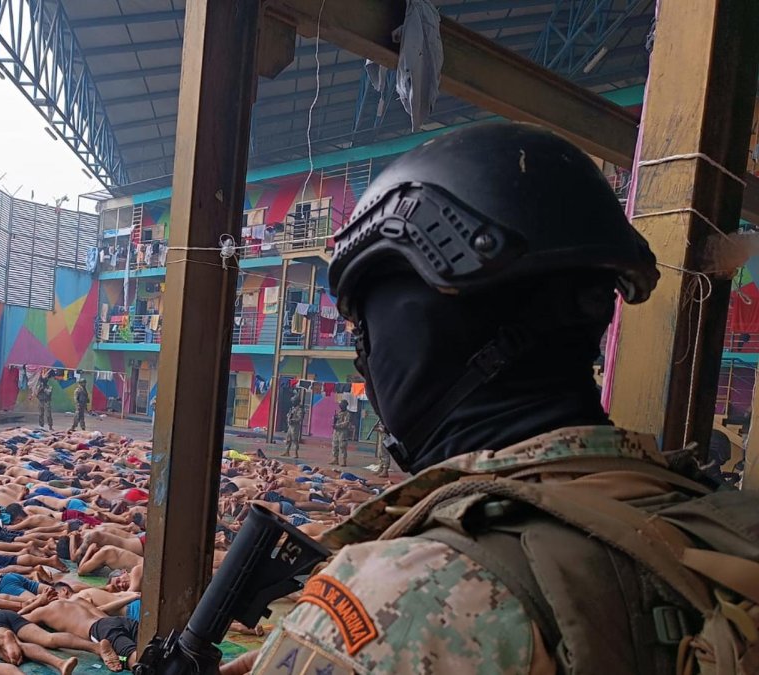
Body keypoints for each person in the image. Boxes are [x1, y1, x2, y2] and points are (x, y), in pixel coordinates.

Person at [238, 122, 759, 675]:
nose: (366, 358)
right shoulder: (714, 519)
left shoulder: (407, 599)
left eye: (366, 329)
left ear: (415, 332)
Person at [282, 389, 304, 458]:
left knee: (295, 440)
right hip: (290, 426)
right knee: (288, 438)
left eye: (293, 401)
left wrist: (293, 420)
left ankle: (295, 453)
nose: (292, 402)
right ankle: (287, 451)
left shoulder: (299, 409)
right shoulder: (293, 408)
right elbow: (289, 415)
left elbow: (300, 418)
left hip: (295, 426)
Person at [330, 400, 352, 466]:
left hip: (343, 432)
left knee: (342, 446)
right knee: (334, 445)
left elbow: (346, 423)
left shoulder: (347, 414)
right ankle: (335, 459)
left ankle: (343, 461)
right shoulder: (339, 412)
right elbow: (335, 420)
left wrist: (337, 425)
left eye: (342, 404)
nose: (340, 406)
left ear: (345, 405)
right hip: (336, 431)